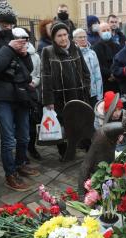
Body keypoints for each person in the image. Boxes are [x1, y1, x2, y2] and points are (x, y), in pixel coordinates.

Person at [0, 1, 40, 192]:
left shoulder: (13, 35)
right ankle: (10, 174)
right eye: (4, 24)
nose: (9, 28)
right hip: (0, 95)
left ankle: (21, 164)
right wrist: (9, 49)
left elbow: (27, 69)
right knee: (9, 138)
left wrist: (25, 54)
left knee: (24, 134)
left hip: (20, 93)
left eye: (11, 24)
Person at [41, 22, 91, 160]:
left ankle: (87, 149)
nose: (63, 38)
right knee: (63, 125)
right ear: (54, 38)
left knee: (81, 122)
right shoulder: (48, 51)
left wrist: (85, 86)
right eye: (59, 36)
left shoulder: (75, 48)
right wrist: (48, 100)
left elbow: (86, 71)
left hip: (79, 95)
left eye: (65, 35)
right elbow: (46, 77)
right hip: (60, 97)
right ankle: (65, 153)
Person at [23, 28, 42, 162]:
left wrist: (34, 82)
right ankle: (22, 152)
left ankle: (31, 148)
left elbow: (39, 73)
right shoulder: (11, 53)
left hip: (32, 92)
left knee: (32, 123)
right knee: (21, 125)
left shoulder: (35, 56)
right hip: (18, 93)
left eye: (26, 39)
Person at [73, 28, 103, 108]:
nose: (83, 39)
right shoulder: (72, 54)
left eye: (84, 37)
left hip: (93, 92)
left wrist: (99, 95)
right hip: (79, 93)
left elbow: (98, 75)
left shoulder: (92, 53)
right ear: (74, 39)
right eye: (80, 37)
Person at [92, 22, 121, 93]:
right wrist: (110, 74)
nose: (106, 32)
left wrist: (115, 74)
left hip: (117, 81)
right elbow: (97, 65)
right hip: (103, 81)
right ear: (99, 32)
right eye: (104, 31)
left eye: (108, 30)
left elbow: (120, 62)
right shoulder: (95, 48)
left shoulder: (117, 46)